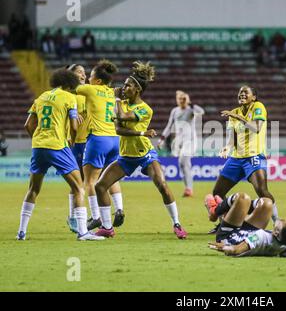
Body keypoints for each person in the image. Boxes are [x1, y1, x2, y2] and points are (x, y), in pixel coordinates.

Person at [94, 61, 188, 239]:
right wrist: (142, 131)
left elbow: (123, 117)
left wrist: (117, 100)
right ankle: (107, 227)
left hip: (145, 155)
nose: (124, 87)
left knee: (162, 185)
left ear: (137, 89)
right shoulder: (122, 104)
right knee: (100, 186)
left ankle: (177, 224)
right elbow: (118, 130)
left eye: (128, 85)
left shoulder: (145, 109)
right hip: (126, 157)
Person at [17, 68, 104, 241]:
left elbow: (28, 125)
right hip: (58, 145)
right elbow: (73, 126)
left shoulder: (41, 97)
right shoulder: (69, 98)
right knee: (79, 187)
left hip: (38, 146)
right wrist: (71, 140)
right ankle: (82, 232)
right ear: (67, 84)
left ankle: (22, 232)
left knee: (33, 189)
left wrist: (38, 140)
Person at [206, 86, 279, 233]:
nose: (242, 94)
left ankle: (277, 223)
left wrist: (238, 117)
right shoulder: (234, 113)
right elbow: (232, 139)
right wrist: (227, 148)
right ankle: (224, 225)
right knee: (217, 192)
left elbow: (257, 127)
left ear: (254, 97)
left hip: (254, 156)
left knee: (261, 190)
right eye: (240, 92)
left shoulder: (258, 107)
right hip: (236, 158)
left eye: (246, 92)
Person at [76, 60, 124, 230]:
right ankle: (119, 208)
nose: (87, 79)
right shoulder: (111, 92)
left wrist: (74, 76)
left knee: (90, 181)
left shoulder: (91, 89)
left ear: (97, 81)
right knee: (108, 178)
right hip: (114, 139)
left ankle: (96, 216)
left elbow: (70, 87)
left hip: (98, 139)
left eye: (89, 77)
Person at [206, 192, 286, 257]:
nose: (284, 219)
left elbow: (236, 250)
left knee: (243, 198)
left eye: (284, 223)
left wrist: (225, 247)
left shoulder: (260, 237)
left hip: (229, 236)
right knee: (267, 203)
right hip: (248, 232)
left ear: (276, 233)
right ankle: (229, 211)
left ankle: (215, 211)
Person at [158, 90, 205, 197]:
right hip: (180, 142)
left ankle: (189, 188)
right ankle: (188, 188)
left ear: (187, 100)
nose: (181, 101)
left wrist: (190, 103)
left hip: (191, 141)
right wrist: (161, 139)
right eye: (179, 98)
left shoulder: (191, 110)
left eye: (184, 99)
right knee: (182, 164)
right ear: (177, 100)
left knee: (184, 161)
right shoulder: (175, 111)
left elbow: (201, 112)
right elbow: (169, 126)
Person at [65, 64, 88, 233]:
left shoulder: (89, 93)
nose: (83, 74)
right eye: (79, 72)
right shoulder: (66, 96)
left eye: (84, 72)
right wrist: (71, 113)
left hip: (89, 142)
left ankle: (95, 216)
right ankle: (73, 216)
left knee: (92, 181)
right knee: (76, 182)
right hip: (73, 143)